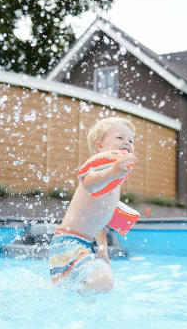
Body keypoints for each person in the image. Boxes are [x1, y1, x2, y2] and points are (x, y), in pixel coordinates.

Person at [49, 116, 138, 292]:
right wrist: (113, 171)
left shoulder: (114, 180)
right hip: (68, 242)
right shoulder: (101, 169)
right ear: (100, 146)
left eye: (130, 140)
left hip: (80, 244)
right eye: (120, 138)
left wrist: (102, 247)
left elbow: (99, 220)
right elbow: (87, 182)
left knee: (94, 285)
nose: (127, 142)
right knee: (104, 282)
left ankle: (61, 295)